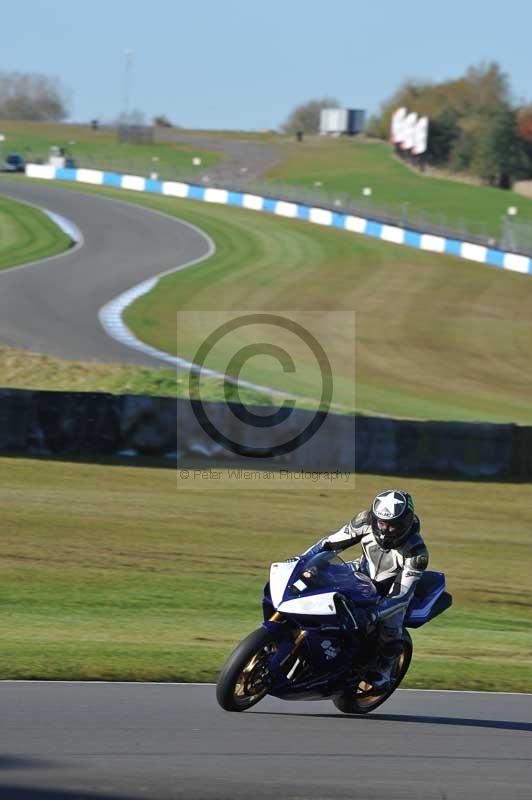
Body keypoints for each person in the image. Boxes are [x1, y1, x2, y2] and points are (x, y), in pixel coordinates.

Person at [304, 489, 429, 689]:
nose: (385, 530)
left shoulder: (416, 551)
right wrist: (302, 560)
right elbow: (329, 543)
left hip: (389, 590)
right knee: (316, 581)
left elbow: (402, 594)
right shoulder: (364, 521)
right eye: (382, 523)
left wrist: (373, 614)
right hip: (359, 571)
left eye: (392, 526)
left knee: (390, 625)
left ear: (405, 524)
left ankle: (386, 668)